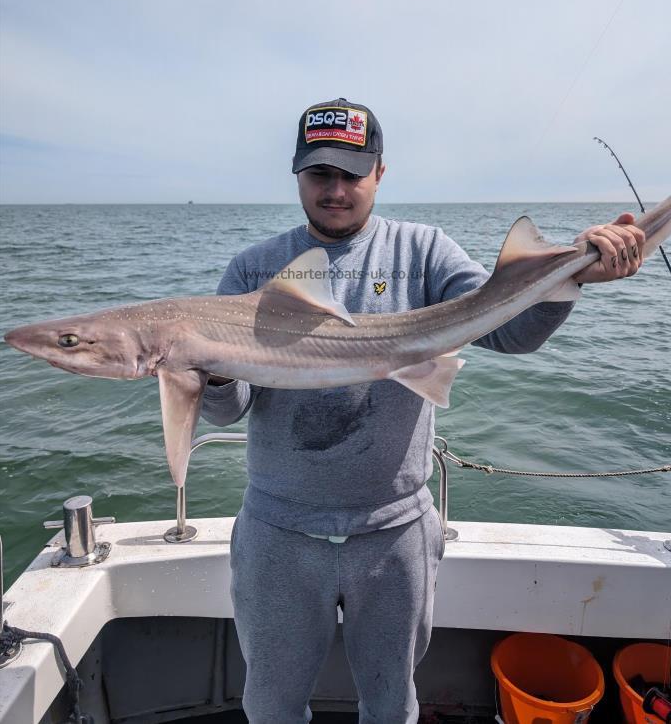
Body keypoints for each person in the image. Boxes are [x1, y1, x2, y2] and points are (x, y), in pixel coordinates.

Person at [201, 98, 645, 724]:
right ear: (297, 174)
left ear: (380, 172)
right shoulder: (254, 268)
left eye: (351, 173)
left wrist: (570, 277)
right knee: (271, 706)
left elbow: (507, 331)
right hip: (279, 532)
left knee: (391, 705)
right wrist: (211, 371)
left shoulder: (424, 251)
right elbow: (227, 410)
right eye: (319, 174)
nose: (335, 190)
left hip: (394, 531)